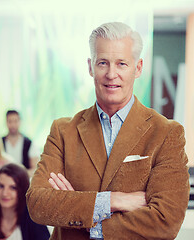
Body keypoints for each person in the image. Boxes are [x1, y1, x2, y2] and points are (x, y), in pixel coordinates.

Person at [26, 22, 190, 240]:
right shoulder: (63, 131)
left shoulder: (166, 134)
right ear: (90, 67)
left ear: (138, 67)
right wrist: (113, 200)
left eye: (122, 63)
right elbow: (38, 203)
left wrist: (84, 216)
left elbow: (165, 221)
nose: (111, 74)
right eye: (103, 63)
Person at [0, 163, 50, 240]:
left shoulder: (33, 217)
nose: (4, 193)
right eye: (1, 186)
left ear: (23, 190)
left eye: (12, 188)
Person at [2, 110, 39, 176]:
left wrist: (19, 176)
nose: (13, 125)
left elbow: (35, 169)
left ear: (20, 122)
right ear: (6, 122)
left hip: (23, 181)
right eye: (10, 121)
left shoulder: (29, 143)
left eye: (15, 121)